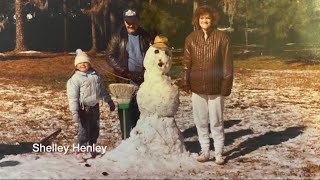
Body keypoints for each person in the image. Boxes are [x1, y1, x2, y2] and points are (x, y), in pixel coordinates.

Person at [181, 5, 233, 165]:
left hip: (216, 87)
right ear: (197, 20)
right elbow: (186, 63)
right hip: (197, 87)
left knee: (216, 121)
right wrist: (185, 82)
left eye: (208, 18)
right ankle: (205, 151)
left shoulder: (222, 38)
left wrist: (226, 85)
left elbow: (227, 65)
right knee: (201, 121)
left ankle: (218, 153)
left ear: (213, 20)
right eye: (202, 18)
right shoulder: (190, 38)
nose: (205, 20)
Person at [106, 8, 152, 140]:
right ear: (124, 21)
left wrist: (144, 73)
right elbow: (109, 56)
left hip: (143, 79)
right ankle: (126, 139)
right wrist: (124, 72)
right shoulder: (118, 35)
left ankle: (138, 137)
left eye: (134, 21)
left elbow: (150, 54)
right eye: (128, 22)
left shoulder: (145, 35)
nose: (131, 25)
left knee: (140, 108)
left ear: (138, 21)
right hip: (124, 80)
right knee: (125, 109)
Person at [67, 49, 116, 161]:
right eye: (80, 63)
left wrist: (109, 101)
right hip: (83, 109)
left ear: (89, 63)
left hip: (95, 106)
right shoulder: (75, 79)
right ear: (76, 66)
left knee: (95, 129)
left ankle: (92, 148)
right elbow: (73, 97)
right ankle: (80, 150)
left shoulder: (96, 76)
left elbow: (103, 90)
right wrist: (74, 111)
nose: (83, 65)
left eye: (85, 62)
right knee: (84, 130)